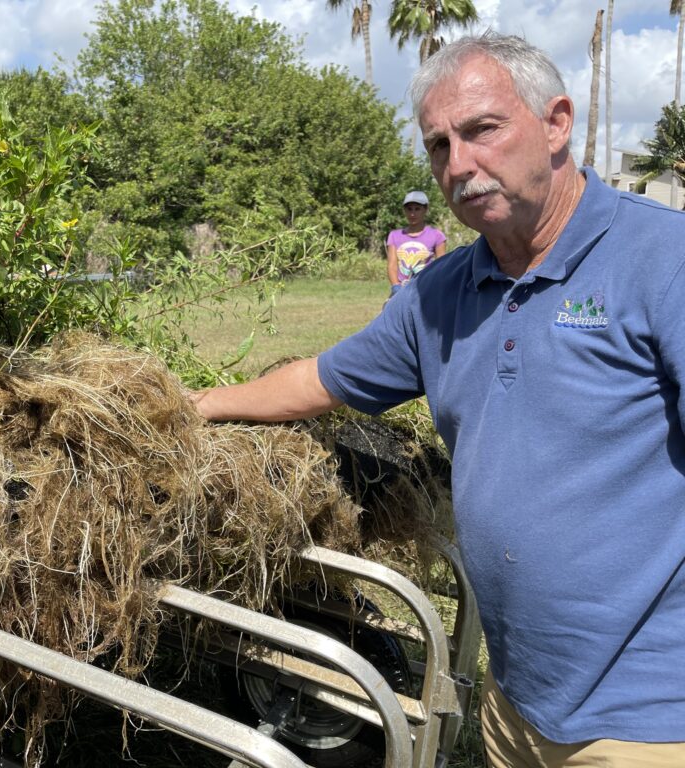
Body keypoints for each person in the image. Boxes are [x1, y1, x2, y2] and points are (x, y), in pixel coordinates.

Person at [192, 32, 685, 768]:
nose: (459, 165)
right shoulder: (440, 294)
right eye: (438, 145)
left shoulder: (661, 259)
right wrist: (192, 404)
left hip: (650, 721)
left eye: (483, 130)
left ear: (556, 123)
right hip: (515, 708)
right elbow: (316, 380)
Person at [386, 190, 446, 298]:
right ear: (404, 210)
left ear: (425, 209)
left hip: (426, 289)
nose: (412, 214)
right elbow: (392, 265)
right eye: (409, 209)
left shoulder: (437, 236)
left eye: (417, 209)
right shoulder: (394, 236)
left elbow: (441, 266)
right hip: (400, 290)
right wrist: (396, 286)